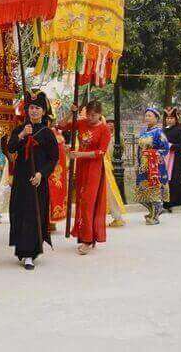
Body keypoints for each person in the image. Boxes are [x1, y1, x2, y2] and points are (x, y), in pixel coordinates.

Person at [5, 91, 58, 270]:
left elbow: (53, 158)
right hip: (21, 178)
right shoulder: (20, 129)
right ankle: (22, 249)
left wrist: (41, 174)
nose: (34, 111)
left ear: (43, 112)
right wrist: (21, 135)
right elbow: (10, 147)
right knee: (20, 211)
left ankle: (30, 253)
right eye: (31, 108)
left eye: (37, 108)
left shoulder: (47, 133)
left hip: (37, 180)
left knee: (33, 213)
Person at [59, 101, 111, 255]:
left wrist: (80, 154)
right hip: (81, 167)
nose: (90, 117)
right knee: (81, 202)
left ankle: (87, 240)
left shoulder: (104, 129)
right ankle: (86, 235)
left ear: (100, 114)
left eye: (93, 115)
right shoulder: (81, 123)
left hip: (94, 169)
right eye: (88, 114)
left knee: (88, 202)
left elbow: (101, 152)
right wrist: (71, 112)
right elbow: (61, 126)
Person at [134, 108, 170, 225]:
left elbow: (165, 148)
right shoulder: (143, 131)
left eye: (150, 116)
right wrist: (138, 162)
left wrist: (153, 155)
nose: (147, 118)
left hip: (154, 165)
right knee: (142, 191)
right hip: (143, 165)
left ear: (156, 118)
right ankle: (152, 211)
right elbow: (140, 148)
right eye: (146, 116)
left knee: (154, 190)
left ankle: (155, 215)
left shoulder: (159, 132)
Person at [162, 107, 181, 212]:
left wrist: (170, 146)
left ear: (176, 119)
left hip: (175, 160)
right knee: (164, 181)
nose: (169, 120)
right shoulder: (163, 130)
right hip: (164, 158)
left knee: (173, 181)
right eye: (167, 118)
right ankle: (165, 202)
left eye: (171, 118)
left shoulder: (179, 130)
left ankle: (172, 203)